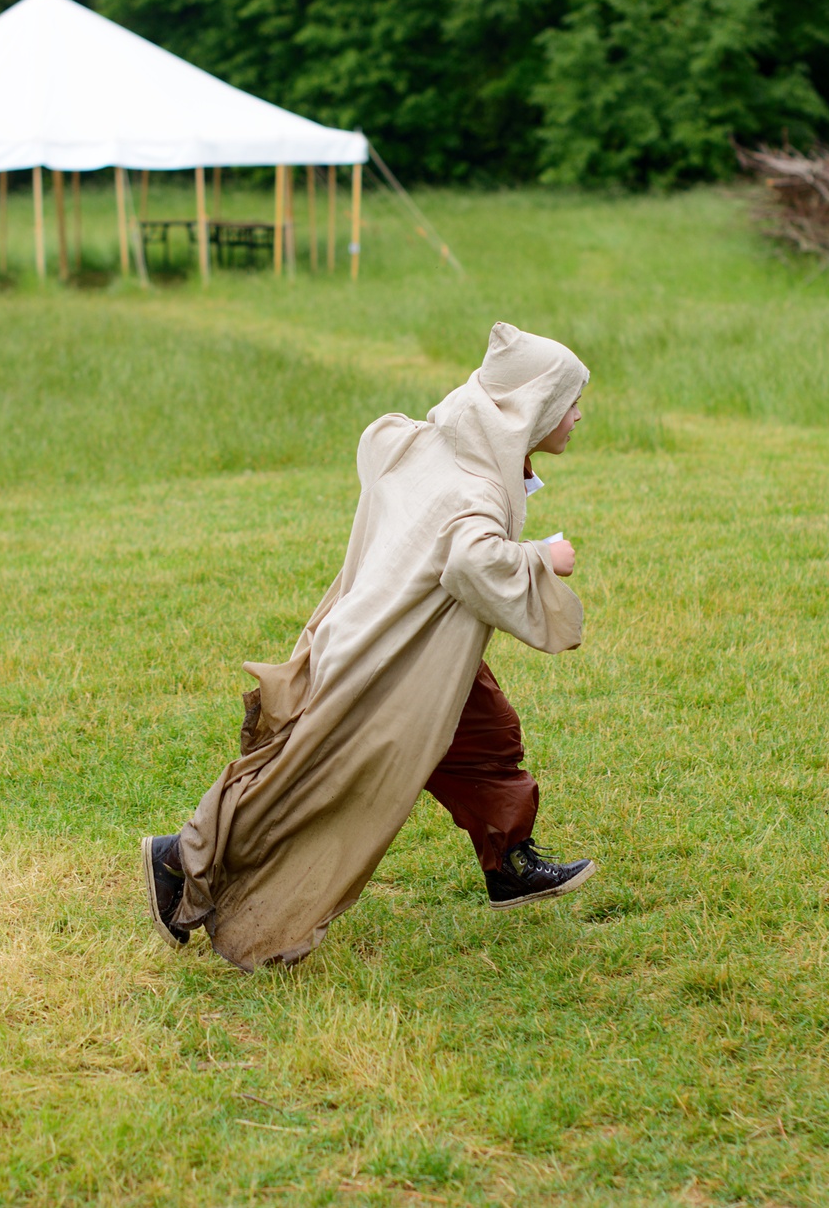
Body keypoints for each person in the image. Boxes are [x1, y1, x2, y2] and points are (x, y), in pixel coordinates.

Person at [142, 323, 596, 970]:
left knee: (488, 733)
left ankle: (509, 863)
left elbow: (391, 461)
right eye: (570, 402)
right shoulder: (476, 479)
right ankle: (176, 859)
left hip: (426, 652)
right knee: (316, 779)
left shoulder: (451, 443)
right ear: (534, 406)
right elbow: (471, 562)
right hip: (382, 661)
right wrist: (543, 558)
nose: (577, 416)